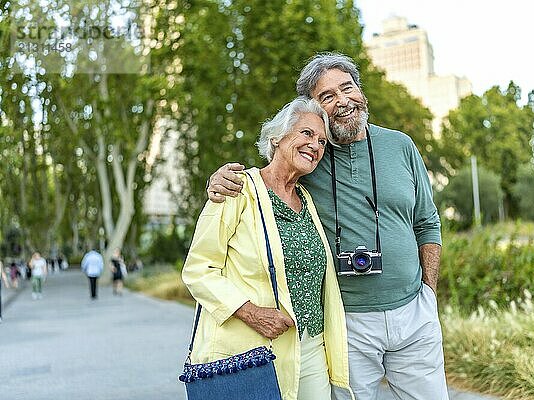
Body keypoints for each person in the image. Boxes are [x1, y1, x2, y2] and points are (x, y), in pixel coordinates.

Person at [207, 53, 448, 400]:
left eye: (347, 88)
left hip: (414, 311)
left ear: (361, 92)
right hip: (347, 322)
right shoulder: (310, 155)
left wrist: (429, 293)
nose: (342, 101)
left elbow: (428, 222)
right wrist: (217, 182)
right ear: (316, 109)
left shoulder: (401, 146)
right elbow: (265, 180)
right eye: (327, 96)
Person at [182, 97, 354, 400]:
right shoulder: (236, 189)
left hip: (311, 347)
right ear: (277, 137)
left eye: (322, 142)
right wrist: (250, 312)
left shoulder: (308, 200)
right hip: (252, 352)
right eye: (306, 133)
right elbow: (198, 269)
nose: (315, 145)